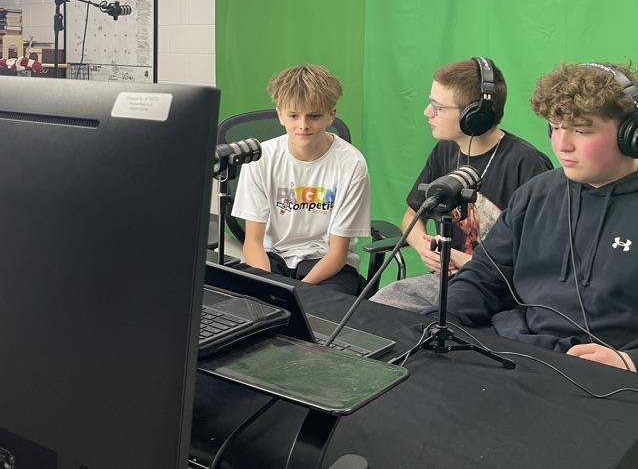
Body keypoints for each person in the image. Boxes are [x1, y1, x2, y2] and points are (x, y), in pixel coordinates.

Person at [437, 61, 638, 371]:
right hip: (518, 351)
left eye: (582, 131)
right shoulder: (537, 194)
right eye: (555, 128)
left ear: (631, 134)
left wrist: (630, 361)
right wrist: (439, 319)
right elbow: (484, 278)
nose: (562, 145)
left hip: (608, 370)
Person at [371, 57, 552, 312]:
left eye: (438, 107)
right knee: (378, 309)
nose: (427, 112)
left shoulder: (527, 165)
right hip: (444, 282)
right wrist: (425, 247)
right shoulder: (445, 150)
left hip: (502, 294)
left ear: (474, 116)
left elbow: (539, 261)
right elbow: (412, 216)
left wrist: (466, 261)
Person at [232, 64, 371, 295]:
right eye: (294, 116)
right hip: (271, 258)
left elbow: (337, 253)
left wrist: (296, 293)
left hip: (327, 265)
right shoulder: (260, 158)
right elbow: (253, 242)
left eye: (314, 116)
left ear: (331, 115)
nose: (303, 125)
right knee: (253, 311)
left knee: (320, 318)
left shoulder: (352, 164)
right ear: (280, 115)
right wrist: (267, 285)